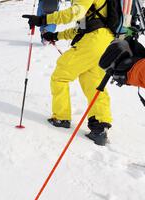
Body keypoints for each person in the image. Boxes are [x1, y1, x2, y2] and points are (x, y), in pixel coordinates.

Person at [23, 0, 114, 146]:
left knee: (60, 76)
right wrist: (56, 36)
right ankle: (100, 126)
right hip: (105, 43)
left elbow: (74, 13)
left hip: (92, 42)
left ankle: (61, 117)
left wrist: (43, 19)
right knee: (93, 82)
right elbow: (82, 28)